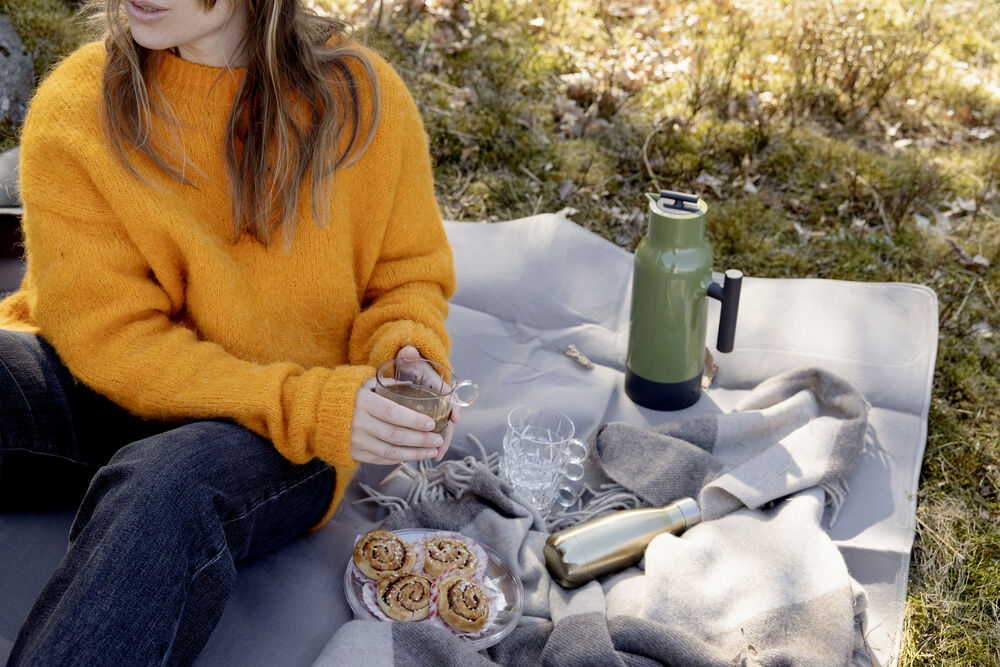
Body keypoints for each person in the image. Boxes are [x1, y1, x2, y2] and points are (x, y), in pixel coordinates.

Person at [0, 0, 458, 663]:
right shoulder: (79, 101)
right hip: (106, 385)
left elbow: (405, 277)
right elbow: (111, 339)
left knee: (167, 484)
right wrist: (307, 402)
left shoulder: (361, 100)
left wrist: (406, 354)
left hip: (278, 434)